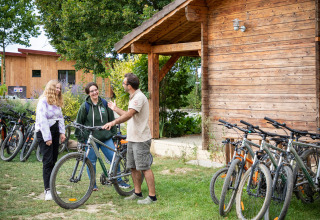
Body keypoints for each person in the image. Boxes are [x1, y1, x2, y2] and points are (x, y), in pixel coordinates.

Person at [102, 73, 157, 205]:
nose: (122, 85)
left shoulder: (138, 97)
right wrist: (115, 109)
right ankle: (137, 192)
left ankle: (152, 197)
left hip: (141, 139)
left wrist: (113, 122)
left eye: (124, 83)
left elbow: (129, 115)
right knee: (132, 167)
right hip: (132, 138)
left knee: (144, 167)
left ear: (129, 86)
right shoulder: (133, 97)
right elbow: (129, 114)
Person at [74, 82, 129, 191]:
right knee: (91, 162)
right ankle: (93, 184)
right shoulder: (84, 106)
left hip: (106, 138)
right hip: (91, 139)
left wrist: (113, 137)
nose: (94, 92)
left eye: (96, 90)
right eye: (92, 91)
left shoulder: (104, 104)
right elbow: (79, 124)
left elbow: (112, 120)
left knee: (114, 158)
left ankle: (119, 180)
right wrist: (81, 140)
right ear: (88, 93)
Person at [35, 79, 66, 201]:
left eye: (59, 88)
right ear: (51, 88)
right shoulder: (43, 101)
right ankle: (47, 190)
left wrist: (62, 132)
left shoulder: (57, 102)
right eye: (56, 88)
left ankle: (52, 187)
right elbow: (42, 120)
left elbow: (60, 118)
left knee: (53, 160)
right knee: (47, 161)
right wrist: (47, 138)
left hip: (55, 132)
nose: (58, 90)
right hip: (44, 133)